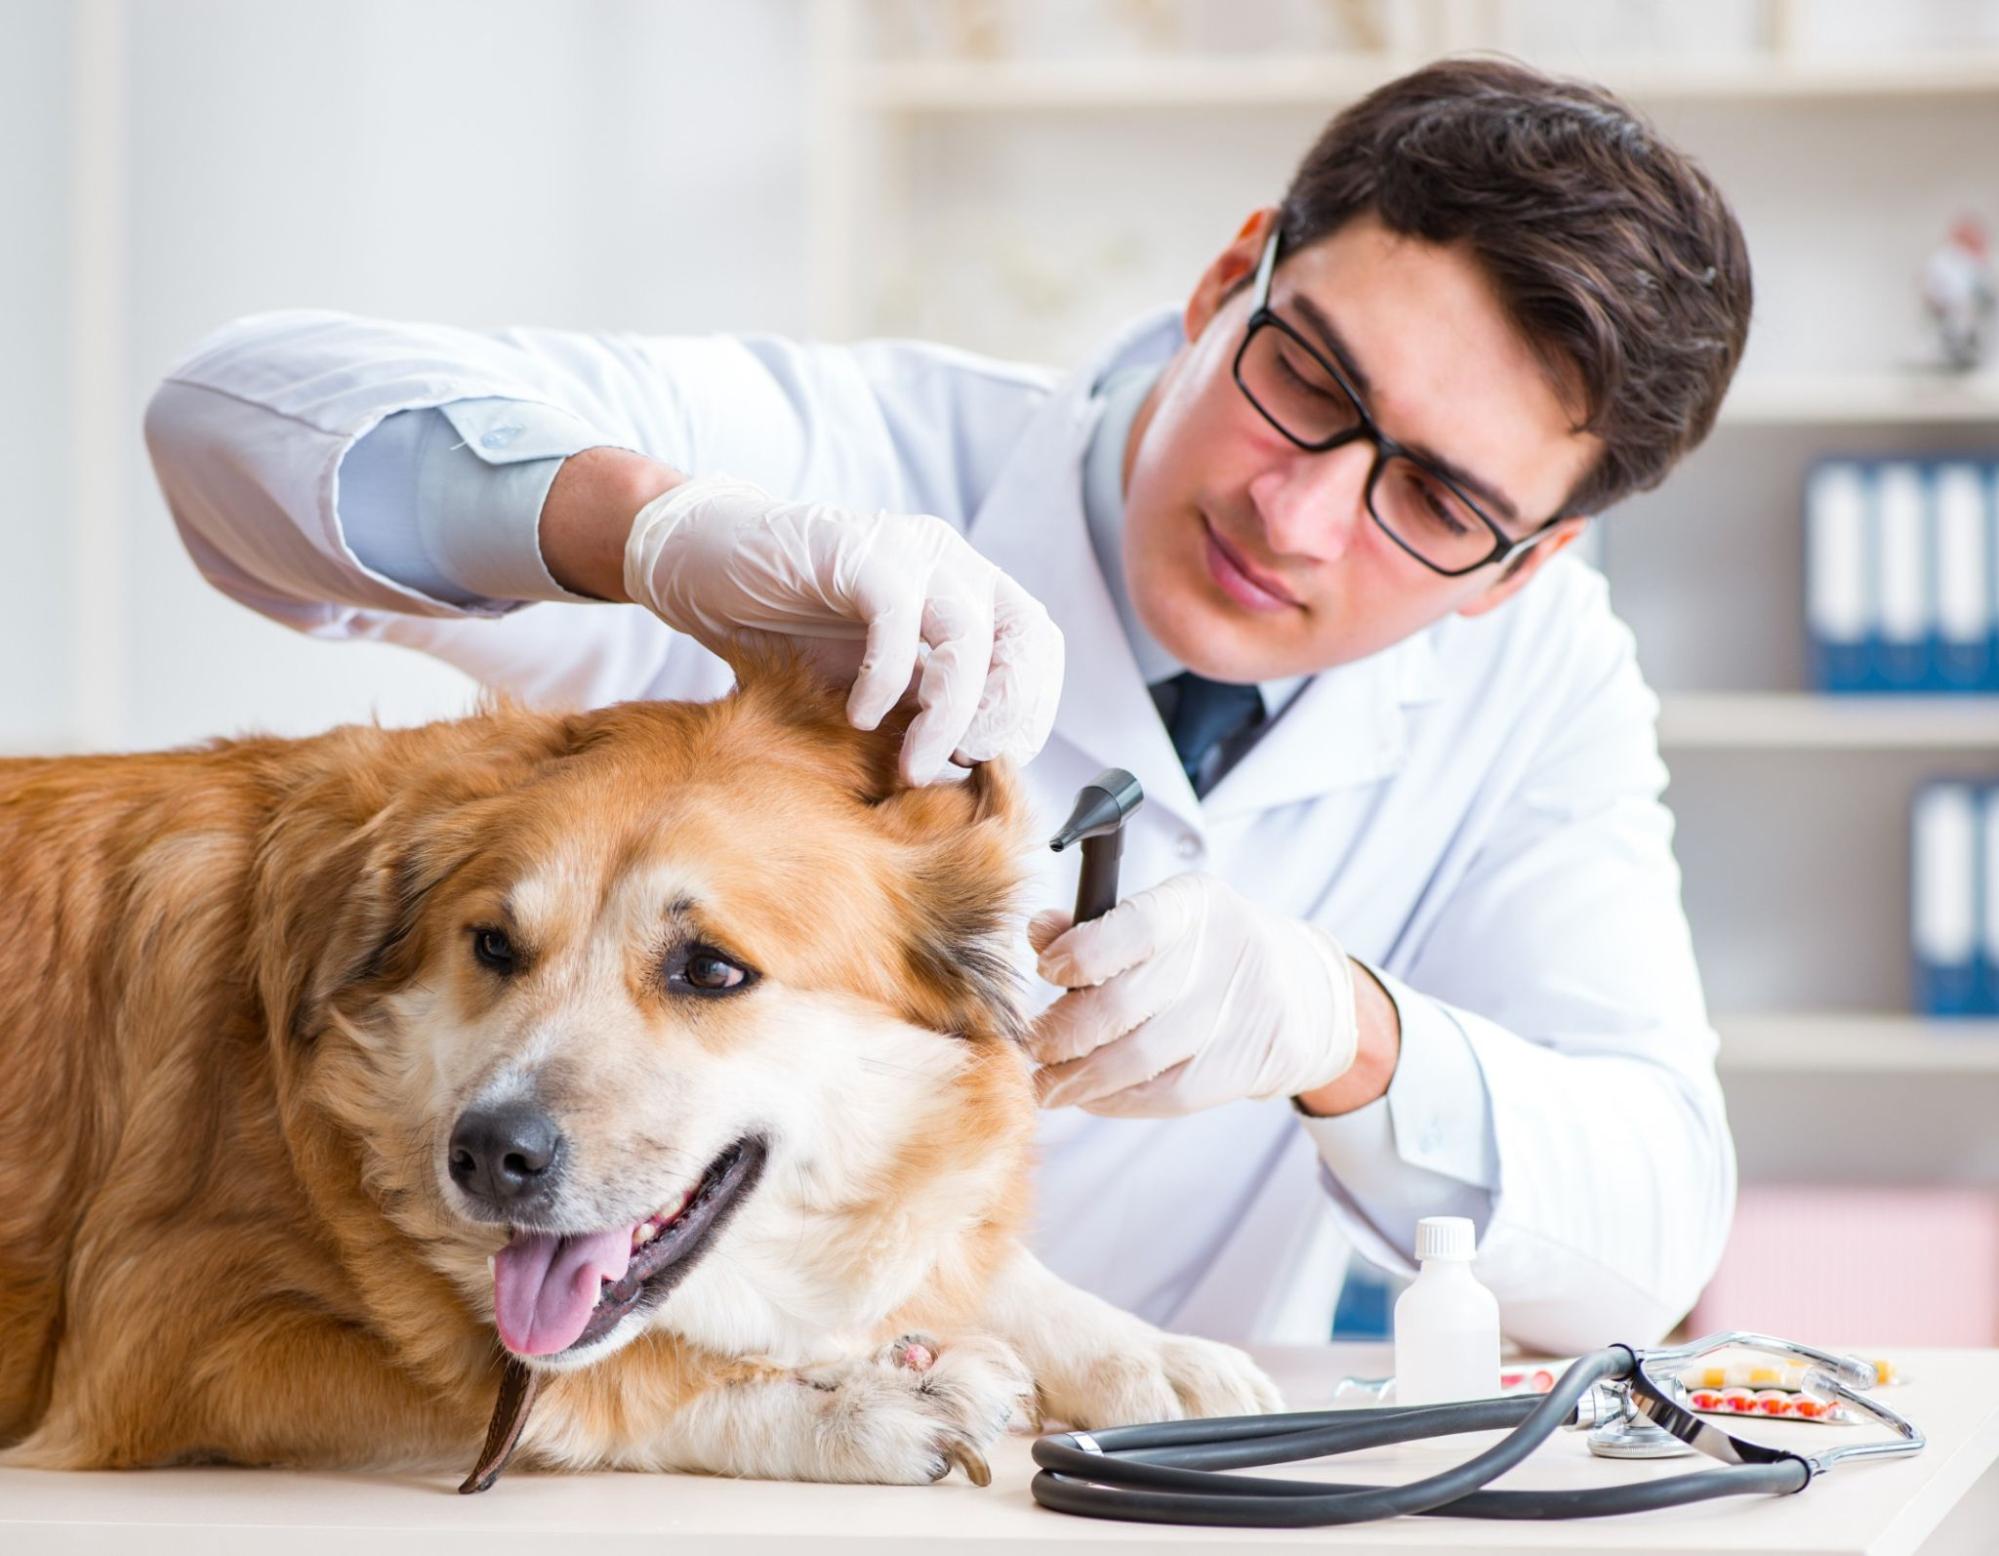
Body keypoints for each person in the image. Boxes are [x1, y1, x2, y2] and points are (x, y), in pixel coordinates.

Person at [143, 58, 1753, 1356]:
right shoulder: (856, 467)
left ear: (1520, 567)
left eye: (1440, 502)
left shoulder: (1537, 688)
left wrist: (1350, 1034)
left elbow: (1650, 1233)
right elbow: (227, 420)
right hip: (649, 1462)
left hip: (1124, 1491)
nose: (1302, 516)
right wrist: (644, 533)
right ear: (1221, 283)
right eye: (1312, 385)